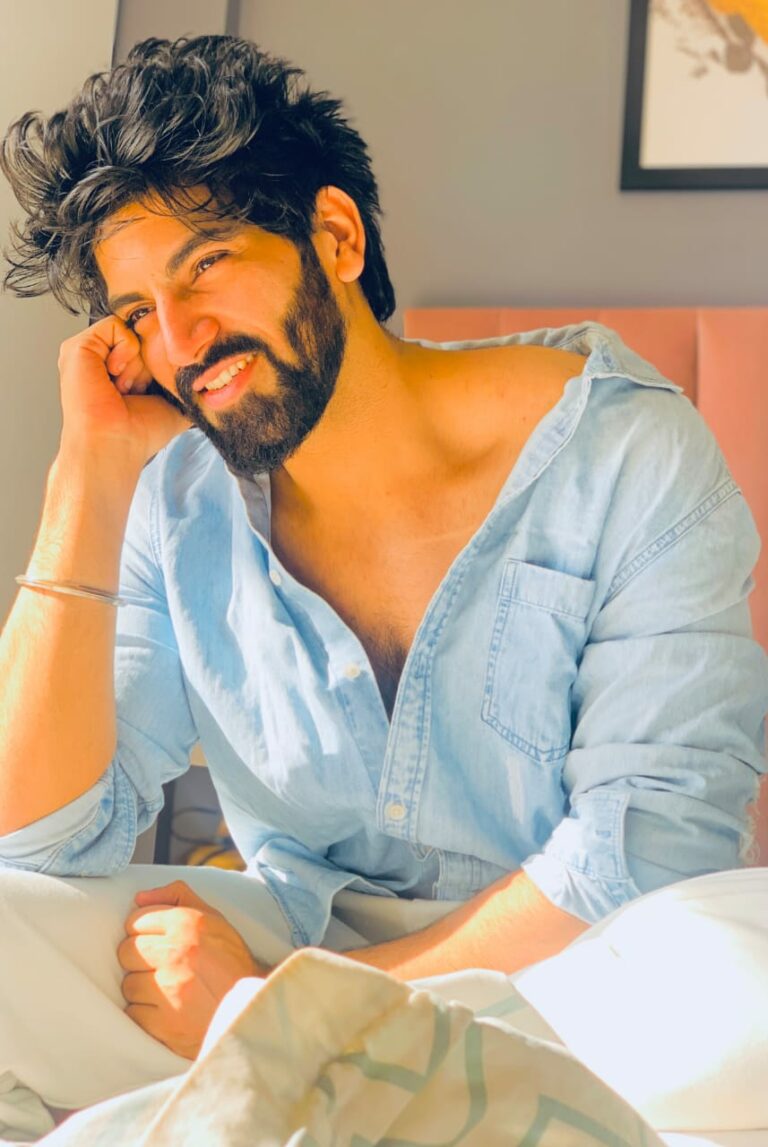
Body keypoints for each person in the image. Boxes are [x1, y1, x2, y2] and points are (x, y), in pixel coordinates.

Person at [0, 33, 766, 1130]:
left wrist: (286, 1012)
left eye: (206, 265)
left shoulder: (628, 453)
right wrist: (87, 472)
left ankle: (292, 1089)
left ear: (337, 235)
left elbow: (644, 854)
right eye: (134, 313)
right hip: (307, 938)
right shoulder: (176, 496)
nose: (178, 340)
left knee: (742, 991)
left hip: (581, 981)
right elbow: (37, 842)